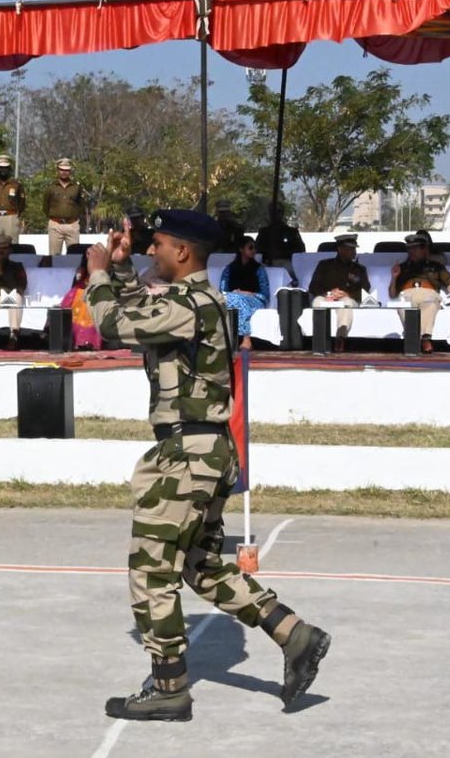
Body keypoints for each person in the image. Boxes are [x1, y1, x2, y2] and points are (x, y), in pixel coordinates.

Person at [85, 209, 329, 722]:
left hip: (186, 455)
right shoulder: (193, 301)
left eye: (158, 244)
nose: (150, 250)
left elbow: (113, 323)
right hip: (204, 451)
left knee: (152, 572)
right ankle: (293, 633)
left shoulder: (191, 303)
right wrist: (126, 272)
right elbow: (140, 309)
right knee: (203, 565)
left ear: (182, 253)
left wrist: (100, 270)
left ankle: (170, 687)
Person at [389, 231, 450, 354]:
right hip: (407, 294)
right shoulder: (402, 267)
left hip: (429, 294)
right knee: (404, 306)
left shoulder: (436, 266)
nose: (412, 252)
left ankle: (425, 338)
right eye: (409, 249)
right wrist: (394, 277)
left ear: (424, 250)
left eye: (415, 248)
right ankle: (413, 337)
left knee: (431, 305)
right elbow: (392, 294)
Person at [309, 233, 371, 352]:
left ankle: (340, 338)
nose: (354, 251)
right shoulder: (324, 265)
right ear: (340, 249)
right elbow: (313, 287)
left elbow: (366, 290)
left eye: (354, 248)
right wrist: (328, 293)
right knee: (317, 302)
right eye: (350, 249)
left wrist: (349, 294)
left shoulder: (359, 269)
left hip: (347, 298)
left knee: (346, 303)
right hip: (327, 297)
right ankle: (319, 340)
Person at [219, 235, 270, 350]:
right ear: (241, 249)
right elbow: (222, 290)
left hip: (255, 299)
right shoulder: (229, 269)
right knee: (232, 299)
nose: (254, 251)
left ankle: (246, 338)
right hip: (233, 297)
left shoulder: (259, 269)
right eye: (250, 247)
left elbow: (265, 294)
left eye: (255, 248)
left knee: (239, 300)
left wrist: (247, 293)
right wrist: (235, 293)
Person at [58, 252, 102, 350]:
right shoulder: (81, 270)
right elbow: (76, 284)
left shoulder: (102, 269)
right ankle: (77, 341)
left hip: (96, 293)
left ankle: (90, 341)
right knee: (78, 303)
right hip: (79, 292)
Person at [42, 158, 85, 255]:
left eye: (67, 170)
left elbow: (81, 205)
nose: (64, 172)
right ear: (57, 170)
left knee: (75, 257)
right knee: (54, 257)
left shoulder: (77, 187)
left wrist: (74, 218)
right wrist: (54, 218)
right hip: (55, 225)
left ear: (70, 171)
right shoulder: (51, 187)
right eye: (62, 169)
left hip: (72, 225)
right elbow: (45, 206)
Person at [0, 154, 25, 253]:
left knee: (13, 246)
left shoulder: (16, 184)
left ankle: (12, 267)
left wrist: (17, 215)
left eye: (5, 168)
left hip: (11, 217)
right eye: (0, 168)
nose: (3, 170)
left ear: (9, 169)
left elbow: (22, 202)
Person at [256, 205, 305, 274]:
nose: (275, 214)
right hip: (268, 262)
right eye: (272, 212)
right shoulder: (263, 232)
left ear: (282, 213)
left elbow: (300, 249)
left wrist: (282, 253)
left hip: (287, 261)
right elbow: (257, 249)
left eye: (278, 211)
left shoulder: (291, 232)